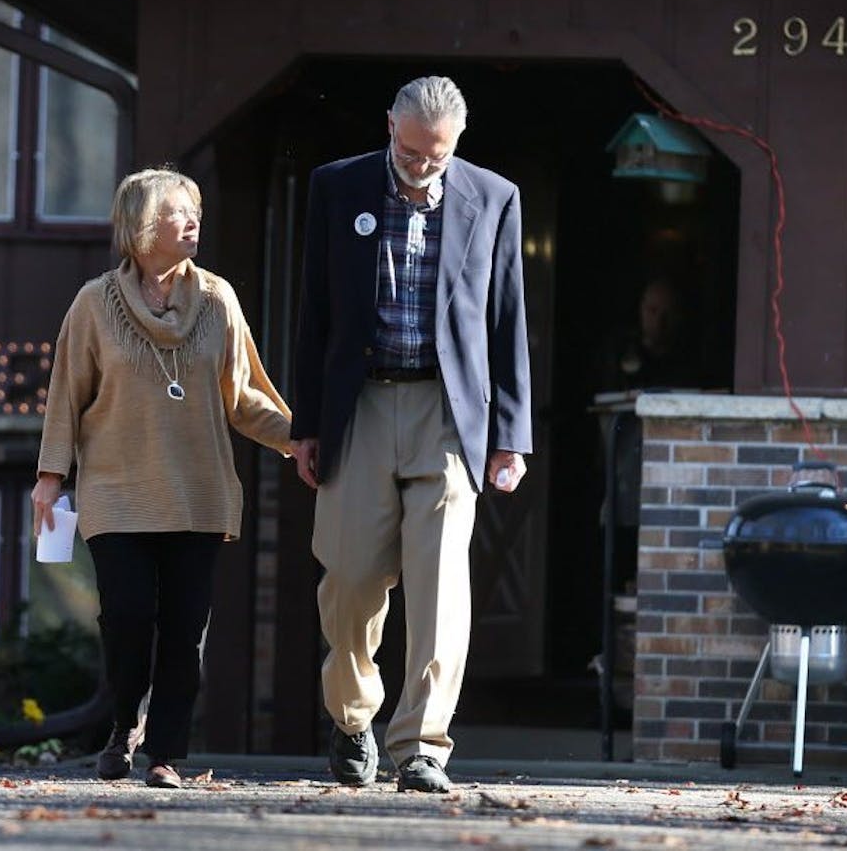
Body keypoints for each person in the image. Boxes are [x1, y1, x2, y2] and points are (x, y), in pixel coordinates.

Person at [290, 76, 532, 793]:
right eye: (412, 150)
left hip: (447, 412)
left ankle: (422, 746)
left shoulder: (493, 197)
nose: (424, 166)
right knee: (351, 577)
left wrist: (510, 435)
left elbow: (508, 318)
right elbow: (315, 311)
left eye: (439, 155)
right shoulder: (338, 187)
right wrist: (308, 424)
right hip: (360, 403)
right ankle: (352, 718)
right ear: (390, 125)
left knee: (439, 587)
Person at [33, 167, 291, 789]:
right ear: (141, 225)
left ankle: (167, 754)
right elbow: (66, 396)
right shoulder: (94, 303)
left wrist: (304, 439)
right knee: (124, 619)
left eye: (194, 210)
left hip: (199, 491)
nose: (191, 221)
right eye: (177, 212)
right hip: (117, 492)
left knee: (184, 633)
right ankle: (126, 723)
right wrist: (50, 478)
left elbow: (244, 395)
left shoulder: (217, 299)